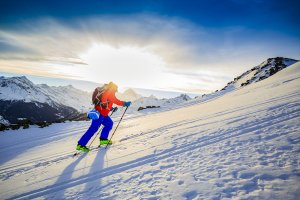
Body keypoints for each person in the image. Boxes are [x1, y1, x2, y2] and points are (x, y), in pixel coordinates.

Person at [76, 82, 131, 152]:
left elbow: (106, 101)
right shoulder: (110, 91)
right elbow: (114, 100)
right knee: (93, 129)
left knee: (109, 124)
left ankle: (103, 139)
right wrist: (125, 103)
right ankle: (81, 145)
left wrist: (110, 108)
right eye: (116, 90)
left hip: (103, 113)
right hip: (100, 114)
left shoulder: (105, 91)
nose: (115, 91)